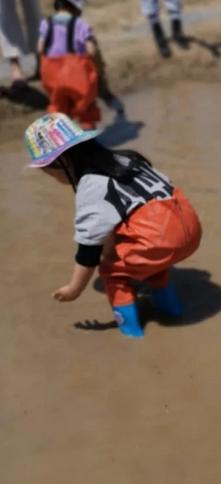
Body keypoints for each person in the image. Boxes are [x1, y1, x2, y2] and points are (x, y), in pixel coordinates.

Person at [25, 113, 202, 337]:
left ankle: (131, 332)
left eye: (48, 171)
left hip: (158, 240)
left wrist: (74, 289)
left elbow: (88, 250)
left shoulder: (91, 184)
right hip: (188, 226)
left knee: (112, 272)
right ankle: (172, 308)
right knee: (149, 261)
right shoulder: (128, 159)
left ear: (62, 162)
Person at [37, 0, 101, 129]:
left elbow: (40, 48)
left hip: (52, 75)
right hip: (77, 74)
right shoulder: (80, 24)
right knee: (86, 107)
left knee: (59, 110)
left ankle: (62, 144)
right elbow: (91, 50)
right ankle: (88, 141)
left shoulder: (46, 23)